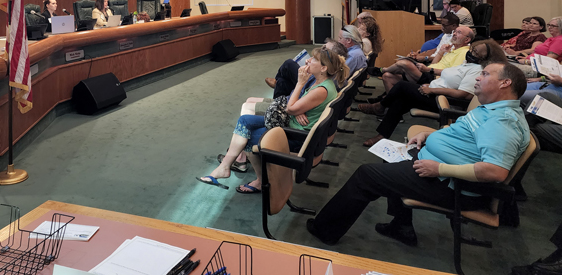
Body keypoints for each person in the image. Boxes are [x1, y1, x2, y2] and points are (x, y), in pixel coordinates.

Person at [307, 61, 529, 246]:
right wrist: (428, 135)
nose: (478, 78)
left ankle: (324, 231)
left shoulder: (503, 122)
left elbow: (496, 172)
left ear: (505, 83)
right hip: (439, 170)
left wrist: (438, 168)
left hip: (453, 185)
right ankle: (401, 226)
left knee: (366, 175)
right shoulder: (492, 108)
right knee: (390, 155)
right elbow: (463, 136)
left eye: (484, 74)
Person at [197, 48, 348, 193]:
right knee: (244, 120)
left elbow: (290, 108)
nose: (308, 60)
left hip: (296, 135)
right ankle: (224, 167)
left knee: (248, 138)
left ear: (323, 68)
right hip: (292, 125)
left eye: (314, 59)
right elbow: (294, 105)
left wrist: (300, 85)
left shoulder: (321, 89)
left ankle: (260, 181)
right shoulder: (318, 82)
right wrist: (296, 109)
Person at [358, 40, 506, 146]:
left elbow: (463, 95)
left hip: (444, 101)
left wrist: (432, 89)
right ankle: (382, 135)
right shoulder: (468, 64)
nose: (471, 52)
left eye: (476, 53)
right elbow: (449, 76)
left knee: (403, 86)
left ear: (485, 58)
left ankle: (380, 106)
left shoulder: (477, 70)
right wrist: (432, 80)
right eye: (472, 49)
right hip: (434, 91)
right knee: (401, 100)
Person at [265, 27, 364, 98]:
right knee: (282, 83)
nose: (338, 40)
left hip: (298, 99)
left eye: (340, 38)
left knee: (289, 63)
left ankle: (277, 89)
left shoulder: (324, 83)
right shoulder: (353, 54)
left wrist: (296, 110)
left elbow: (303, 97)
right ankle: (277, 93)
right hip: (297, 98)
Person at [371, 25, 474, 93]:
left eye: (459, 32)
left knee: (404, 63)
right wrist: (441, 52)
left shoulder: (464, 52)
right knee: (387, 77)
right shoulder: (451, 48)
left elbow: (452, 73)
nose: (454, 34)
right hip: (428, 71)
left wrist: (429, 69)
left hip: (435, 78)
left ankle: (382, 69)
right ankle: (389, 107)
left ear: (467, 39)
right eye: (454, 32)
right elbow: (434, 63)